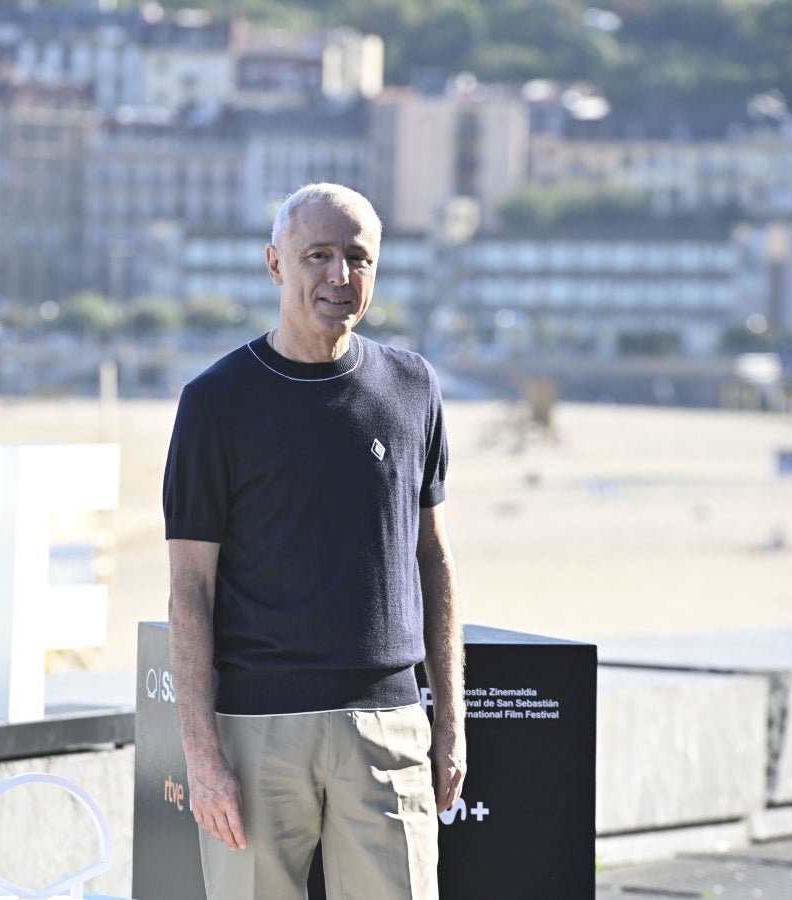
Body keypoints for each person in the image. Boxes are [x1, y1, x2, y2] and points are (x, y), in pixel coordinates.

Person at [163, 183, 466, 899]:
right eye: (318, 256)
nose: (339, 276)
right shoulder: (215, 403)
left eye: (357, 258)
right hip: (255, 730)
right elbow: (189, 589)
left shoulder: (413, 387)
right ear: (275, 265)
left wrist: (448, 723)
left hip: (387, 724)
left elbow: (435, 562)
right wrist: (203, 758)